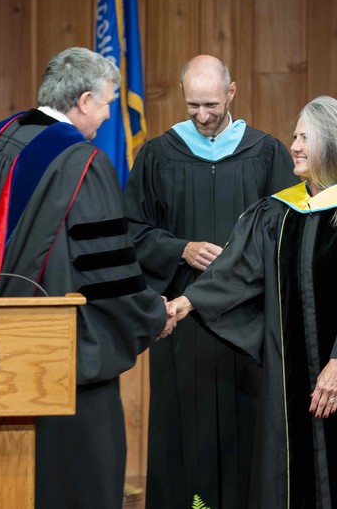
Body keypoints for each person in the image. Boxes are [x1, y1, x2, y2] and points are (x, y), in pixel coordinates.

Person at [168, 95, 337, 508]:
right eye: (294, 135)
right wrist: (186, 302)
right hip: (295, 381)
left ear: (331, 143)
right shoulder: (278, 214)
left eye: (304, 137)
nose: (293, 145)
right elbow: (238, 271)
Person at [0, 46, 175, 508]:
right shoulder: (81, 162)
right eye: (107, 102)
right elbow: (108, 272)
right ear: (84, 101)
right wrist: (149, 313)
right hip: (60, 361)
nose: (108, 115)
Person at [123, 54, 296, 509]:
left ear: (232, 92)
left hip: (247, 322)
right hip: (184, 322)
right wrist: (179, 248)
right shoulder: (160, 155)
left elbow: (287, 233)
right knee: (186, 427)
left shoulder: (266, 153)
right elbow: (131, 230)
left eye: (211, 105)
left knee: (248, 422)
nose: (201, 116)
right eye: (193, 105)